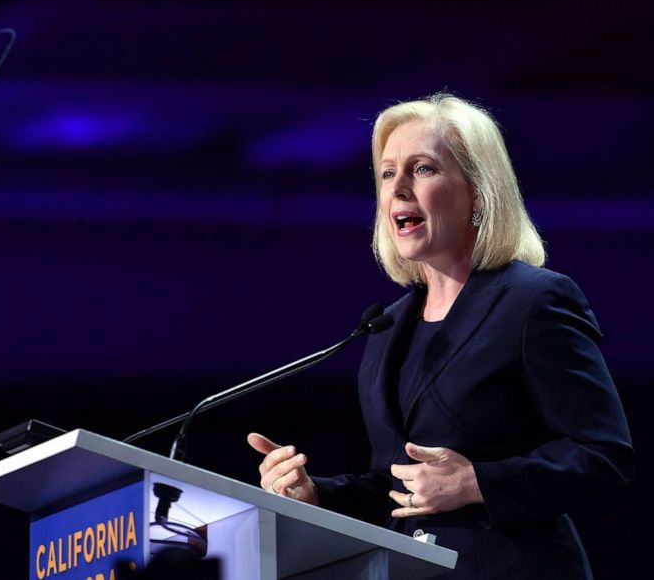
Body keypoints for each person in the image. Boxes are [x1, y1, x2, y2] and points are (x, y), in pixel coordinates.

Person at [247, 94, 634, 579]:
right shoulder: (386, 325)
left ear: (478, 190)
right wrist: (315, 494)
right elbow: (395, 484)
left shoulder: (534, 301)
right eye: (388, 174)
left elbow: (603, 454)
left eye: (423, 169)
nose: (398, 190)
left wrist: (478, 483)